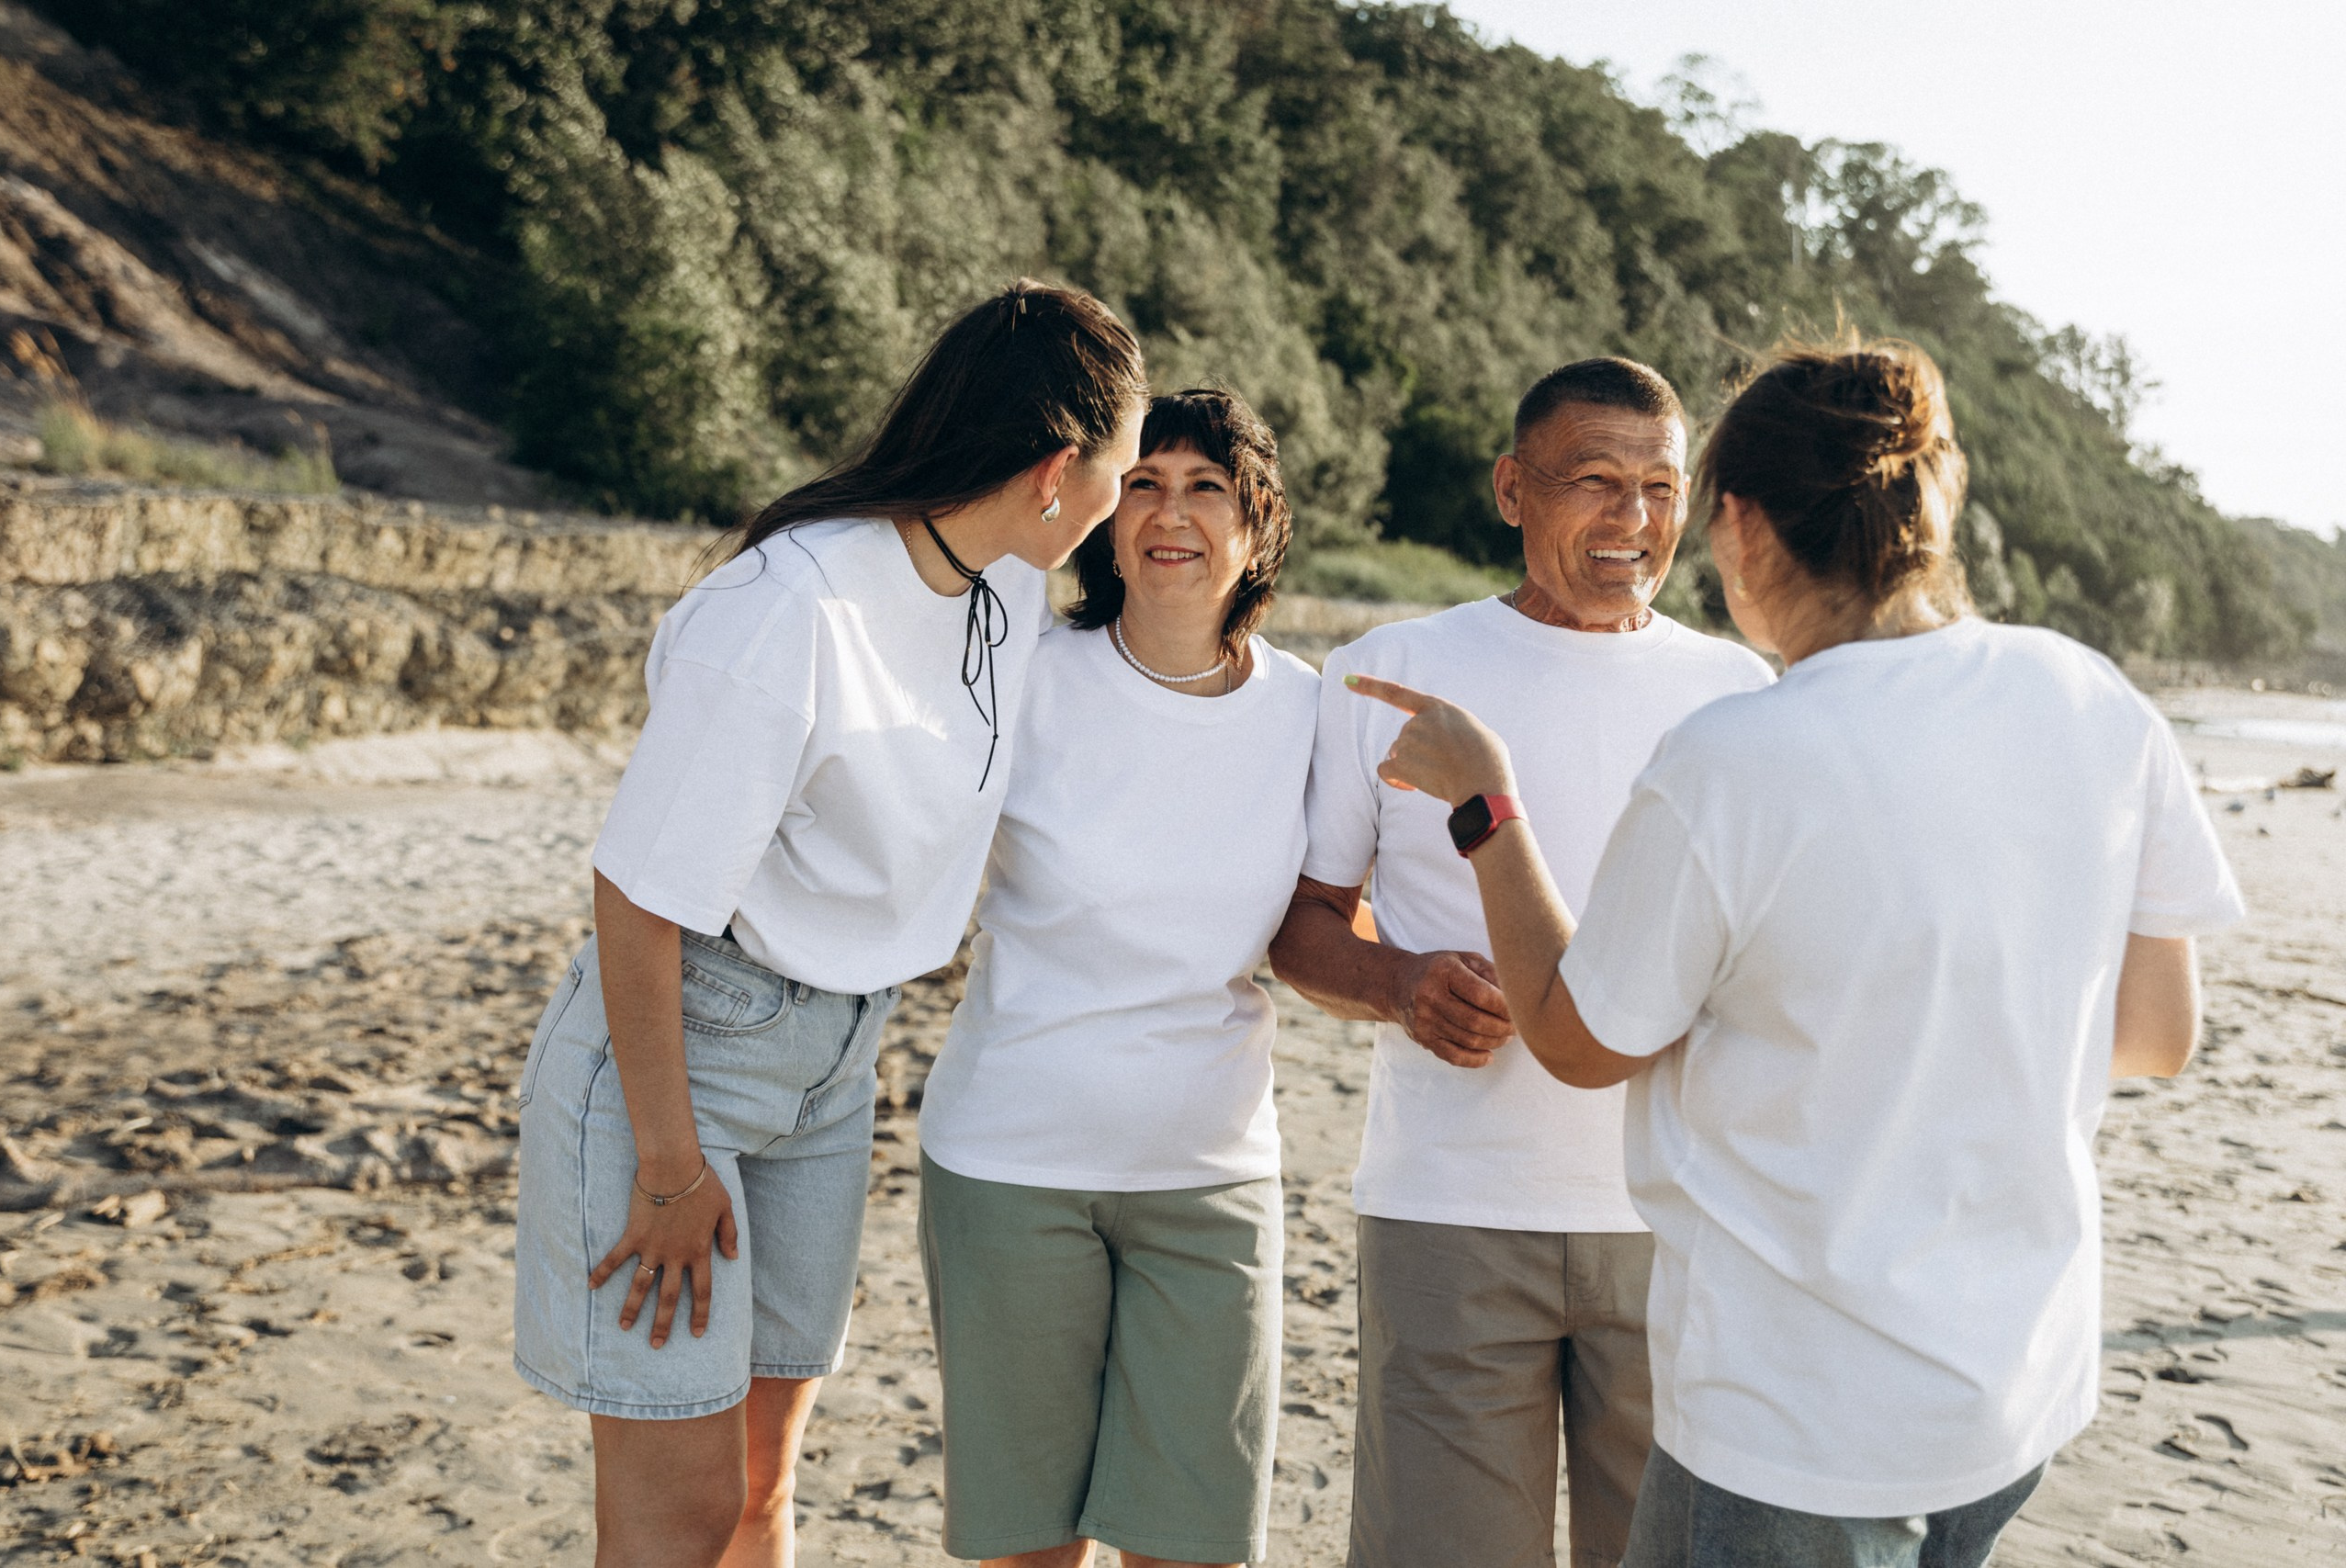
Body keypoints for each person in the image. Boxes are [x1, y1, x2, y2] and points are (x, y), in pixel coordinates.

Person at [1349, 335, 2244, 1568]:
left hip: (1797, 1410)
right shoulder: (2091, 695)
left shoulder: (1737, 753)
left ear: (1745, 526)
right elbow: (2156, 1032)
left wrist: (1487, 802)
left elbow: (1574, 1036)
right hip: (2011, 1388)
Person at [510, 278, 1146, 1568]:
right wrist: (669, 1160)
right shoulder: (791, 608)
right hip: (681, 1051)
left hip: (843, 1057)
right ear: (1059, 468)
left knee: (761, 1483)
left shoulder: (1005, 586)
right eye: (1127, 472)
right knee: (677, 1509)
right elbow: (636, 893)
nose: (1127, 503)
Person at [1269, 359, 1774, 1568]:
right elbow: (1303, 921)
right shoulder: (1387, 670)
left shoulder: (1740, 691)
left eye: (1659, 488)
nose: (1634, 519)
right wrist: (1397, 982)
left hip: (1681, 1219)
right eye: (1594, 482)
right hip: (1449, 1208)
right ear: (1511, 488)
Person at [914, 388, 1317, 1568]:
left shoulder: (1309, 711)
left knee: (1192, 1548)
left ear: (1257, 524)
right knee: (1029, 1550)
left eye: (1205, 487)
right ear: (1103, 510)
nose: (1169, 512)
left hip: (1212, 1180)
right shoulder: (1023, 677)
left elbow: (1326, 920)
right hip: (1009, 1166)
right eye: (1142, 482)